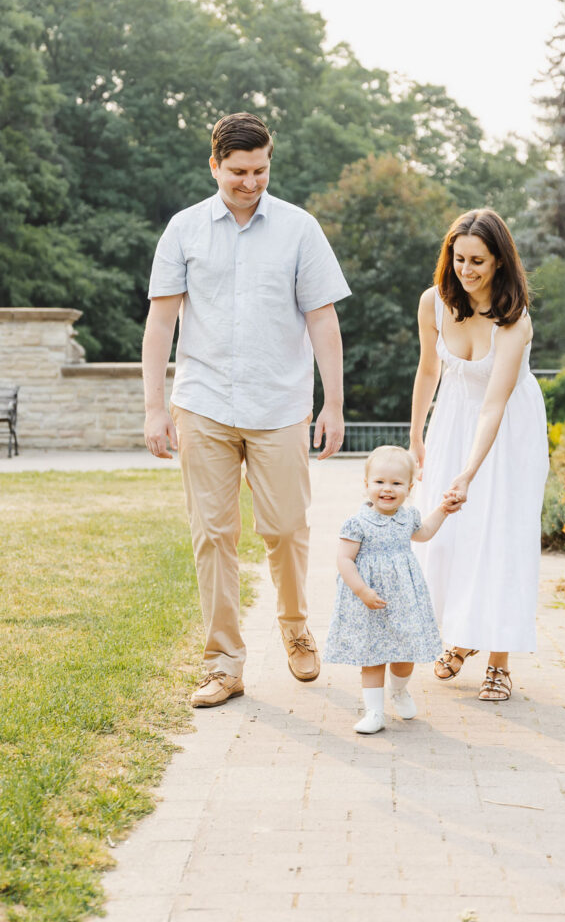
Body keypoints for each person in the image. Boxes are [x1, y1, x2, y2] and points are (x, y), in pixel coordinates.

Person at [142, 111, 351, 707]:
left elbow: (322, 319)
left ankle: (294, 628)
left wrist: (332, 403)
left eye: (261, 170)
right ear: (214, 165)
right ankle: (223, 663)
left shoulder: (299, 228)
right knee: (214, 535)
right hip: (202, 404)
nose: (251, 182)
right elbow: (160, 322)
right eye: (238, 171)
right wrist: (155, 409)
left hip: (279, 405)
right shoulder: (183, 230)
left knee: (285, 529)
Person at [410, 209, 548, 702]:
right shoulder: (434, 302)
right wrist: (415, 437)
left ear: (499, 262)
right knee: (446, 537)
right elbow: (429, 371)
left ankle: (498, 662)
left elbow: (494, 403)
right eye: (459, 258)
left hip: (507, 430)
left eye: (478, 262)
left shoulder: (513, 317)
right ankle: (460, 636)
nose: (466, 270)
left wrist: (468, 472)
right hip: (451, 420)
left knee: (500, 536)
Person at [324, 445, 460, 734]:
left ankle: (399, 691)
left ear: (409, 487)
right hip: (370, 598)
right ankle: (374, 712)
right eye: (380, 482)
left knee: (404, 655)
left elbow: (423, 533)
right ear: (366, 485)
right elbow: (344, 559)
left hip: (403, 598)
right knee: (372, 657)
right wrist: (362, 590)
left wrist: (443, 511)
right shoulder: (357, 522)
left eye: (396, 483)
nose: (387, 489)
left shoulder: (407, 517)